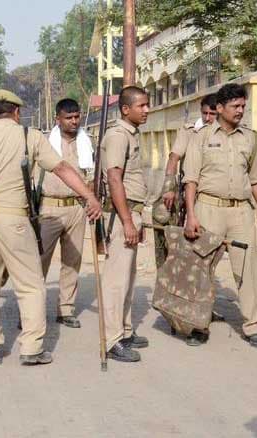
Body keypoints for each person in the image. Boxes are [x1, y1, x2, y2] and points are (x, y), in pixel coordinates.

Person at [0, 89, 102, 366]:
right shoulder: (29, 136)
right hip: (15, 220)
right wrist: (88, 196)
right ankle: (31, 348)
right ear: (16, 112)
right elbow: (62, 169)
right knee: (31, 285)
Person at [183, 83, 257, 349]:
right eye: (235, 106)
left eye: (243, 106)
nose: (240, 111)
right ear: (219, 108)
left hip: (241, 212)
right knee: (202, 269)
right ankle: (199, 325)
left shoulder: (250, 138)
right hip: (208, 209)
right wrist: (190, 215)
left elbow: (256, 180)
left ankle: (252, 325)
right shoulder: (201, 137)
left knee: (247, 269)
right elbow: (191, 180)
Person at [100, 86, 151, 363]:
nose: (146, 110)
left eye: (147, 105)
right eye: (141, 105)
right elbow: (114, 179)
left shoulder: (132, 133)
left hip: (132, 212)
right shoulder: (119, 136)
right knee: (116, 282)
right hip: (123, 215)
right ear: (125, 109)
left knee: (129, 279)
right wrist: (128, 221)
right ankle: (112, 340)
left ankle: (125, 330)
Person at [36, 98, 94, 329]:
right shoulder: (43, 144)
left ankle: (65, 309)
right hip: (49, 209)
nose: (73, 121)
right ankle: (32, 312)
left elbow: (91, 174)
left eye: (76, 117)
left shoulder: (86, 142)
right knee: (39, 262)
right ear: (57, 119)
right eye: (68, 118)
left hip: (77, 209)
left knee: (73, 261)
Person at [155, 94, 218, 268]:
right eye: (204, 113)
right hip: (187, 191)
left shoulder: (222, 133)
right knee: (170, 228)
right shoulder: (190, 130)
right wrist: (169, 187)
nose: (207, 118)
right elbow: (174, 157)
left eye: (212, 114)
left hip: (209, 194)